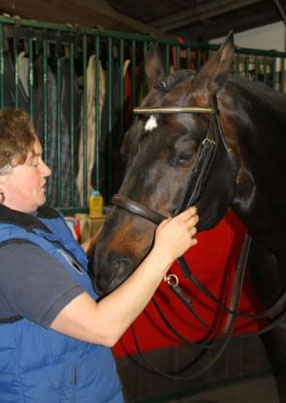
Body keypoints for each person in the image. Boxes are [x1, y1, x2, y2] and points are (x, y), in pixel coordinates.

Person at [0, 108, 199, 403]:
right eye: (33, 163)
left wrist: (121, 231)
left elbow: (62, 271)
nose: (47, 170)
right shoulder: (12, 257)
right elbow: (103, 327)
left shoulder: (43, 219)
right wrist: (163, 253)